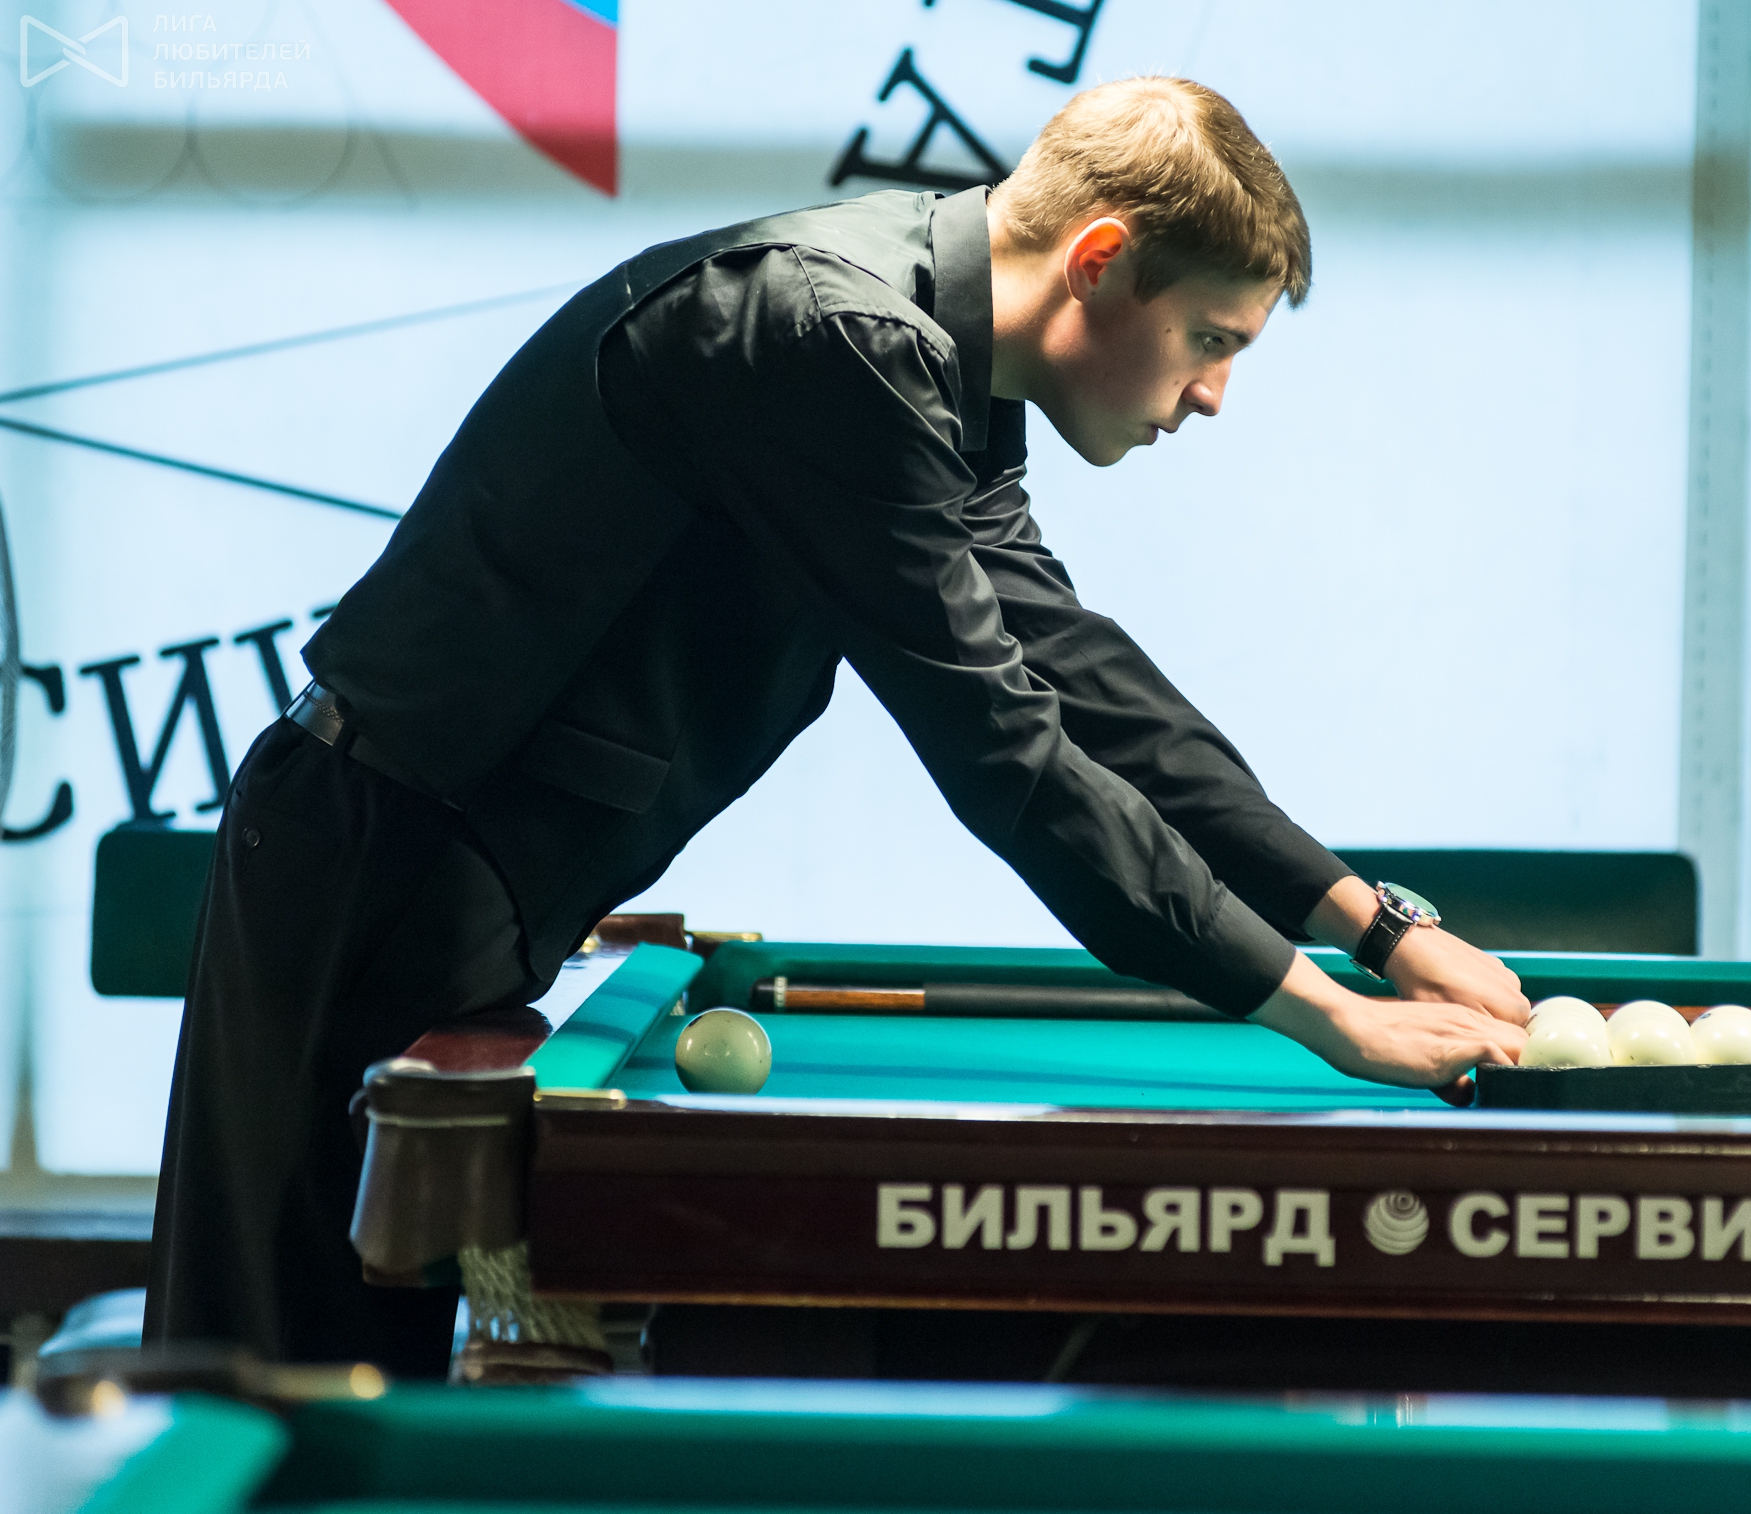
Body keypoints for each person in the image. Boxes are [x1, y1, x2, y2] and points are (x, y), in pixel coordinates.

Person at [146, 77, 1529, 1377]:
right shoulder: (831, 341)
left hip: (441, 863)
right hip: (375, 858)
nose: (1215, 392)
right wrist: (1323, 1017)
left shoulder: (934, 358)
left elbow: (1089, 685)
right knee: (277, 1388)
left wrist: (1372, 925)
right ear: (1101, 261)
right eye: (1212, 339)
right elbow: (1007, 754)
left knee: (350, 1388)